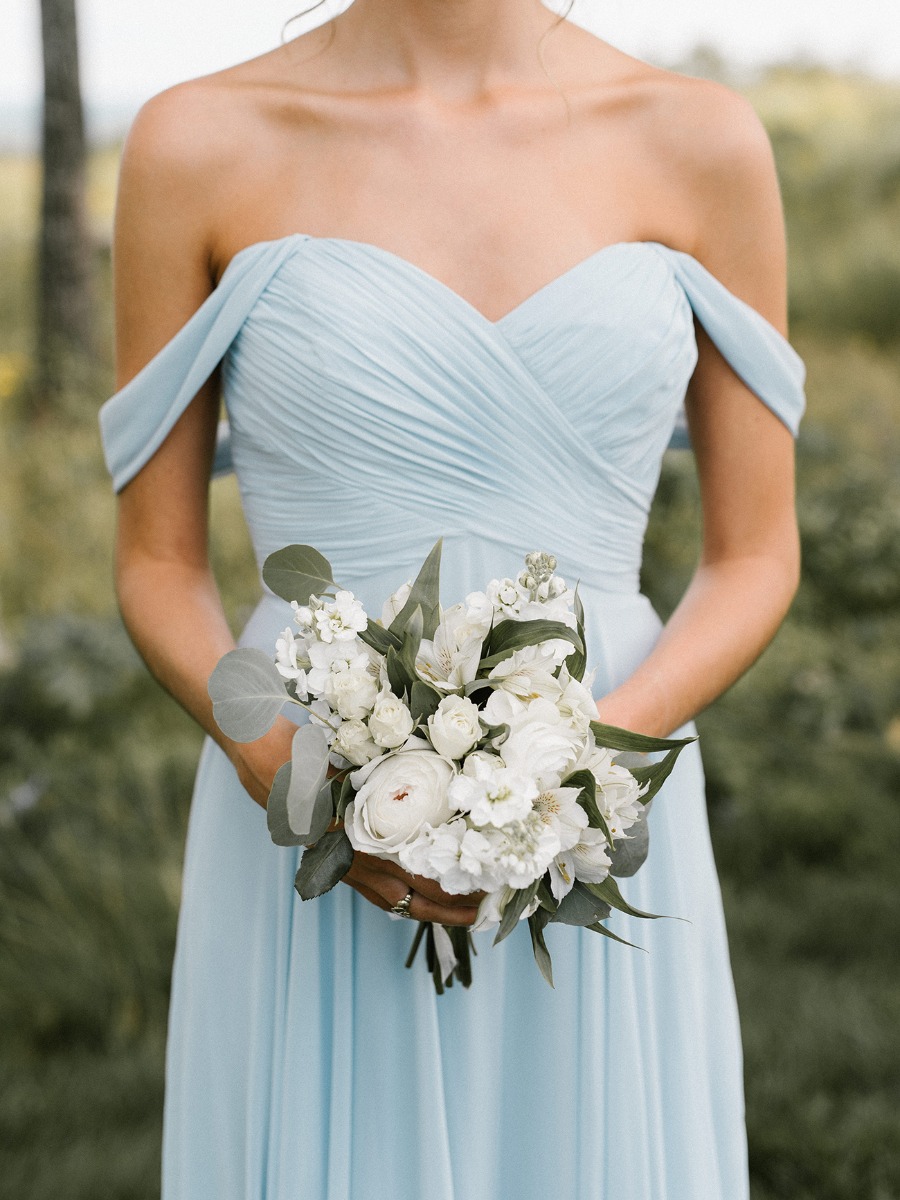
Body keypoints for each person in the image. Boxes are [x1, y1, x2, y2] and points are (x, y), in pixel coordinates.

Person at [98, 0, 806, 1196]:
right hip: (301, 792)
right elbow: (157, 565)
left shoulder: (702, 140)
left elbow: (755, 555)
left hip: (600, 813)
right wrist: (294, 778)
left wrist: (579, 774)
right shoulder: (196, 142)